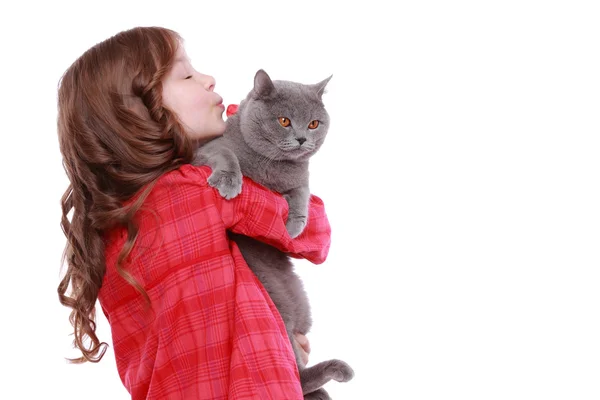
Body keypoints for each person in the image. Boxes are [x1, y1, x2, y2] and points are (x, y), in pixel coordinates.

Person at [56, 26, 331, 399]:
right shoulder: (195, 190)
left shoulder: (115, 223)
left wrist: (277, 339)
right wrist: (245, 130)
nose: (209, 79)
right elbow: (314, 234)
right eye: (186, 75)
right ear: (137, 114)